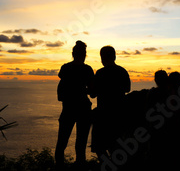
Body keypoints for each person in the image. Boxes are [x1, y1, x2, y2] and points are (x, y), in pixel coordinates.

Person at [55, 40, 94, 169]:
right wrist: (84, 90)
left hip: (68, 108)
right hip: (83, 108)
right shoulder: (87, 69)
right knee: (81, 144)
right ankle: (80, 166)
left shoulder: (66, 68)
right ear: (85, 54)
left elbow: (61, 89)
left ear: (73, 53)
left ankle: (59, 167)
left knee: (62, 142)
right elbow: (93, 92)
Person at [89, 45, 131, 158]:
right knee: (117, 147)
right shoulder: (122, 71)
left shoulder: (100, 73)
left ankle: (107, 165)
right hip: (119, 114)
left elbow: (93, 94)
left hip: (103, 115)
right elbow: (127, 89)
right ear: (114, 57)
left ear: (102, 58)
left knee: (99, 147)